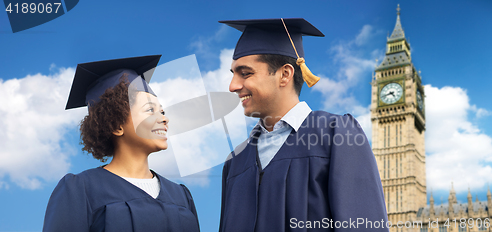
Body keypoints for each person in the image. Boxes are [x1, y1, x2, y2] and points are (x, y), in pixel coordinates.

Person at [218, 18, 389, 231]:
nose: (233, 85)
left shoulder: (336, 135)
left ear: (285, 74)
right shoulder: (235, 163)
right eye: (233, 74)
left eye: (245, 73)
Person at [42, 55, 200, 232]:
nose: (164, 119)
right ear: (116, 125)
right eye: (150, 110)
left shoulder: (181, 196)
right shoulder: (81, 190)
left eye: (162, 111)